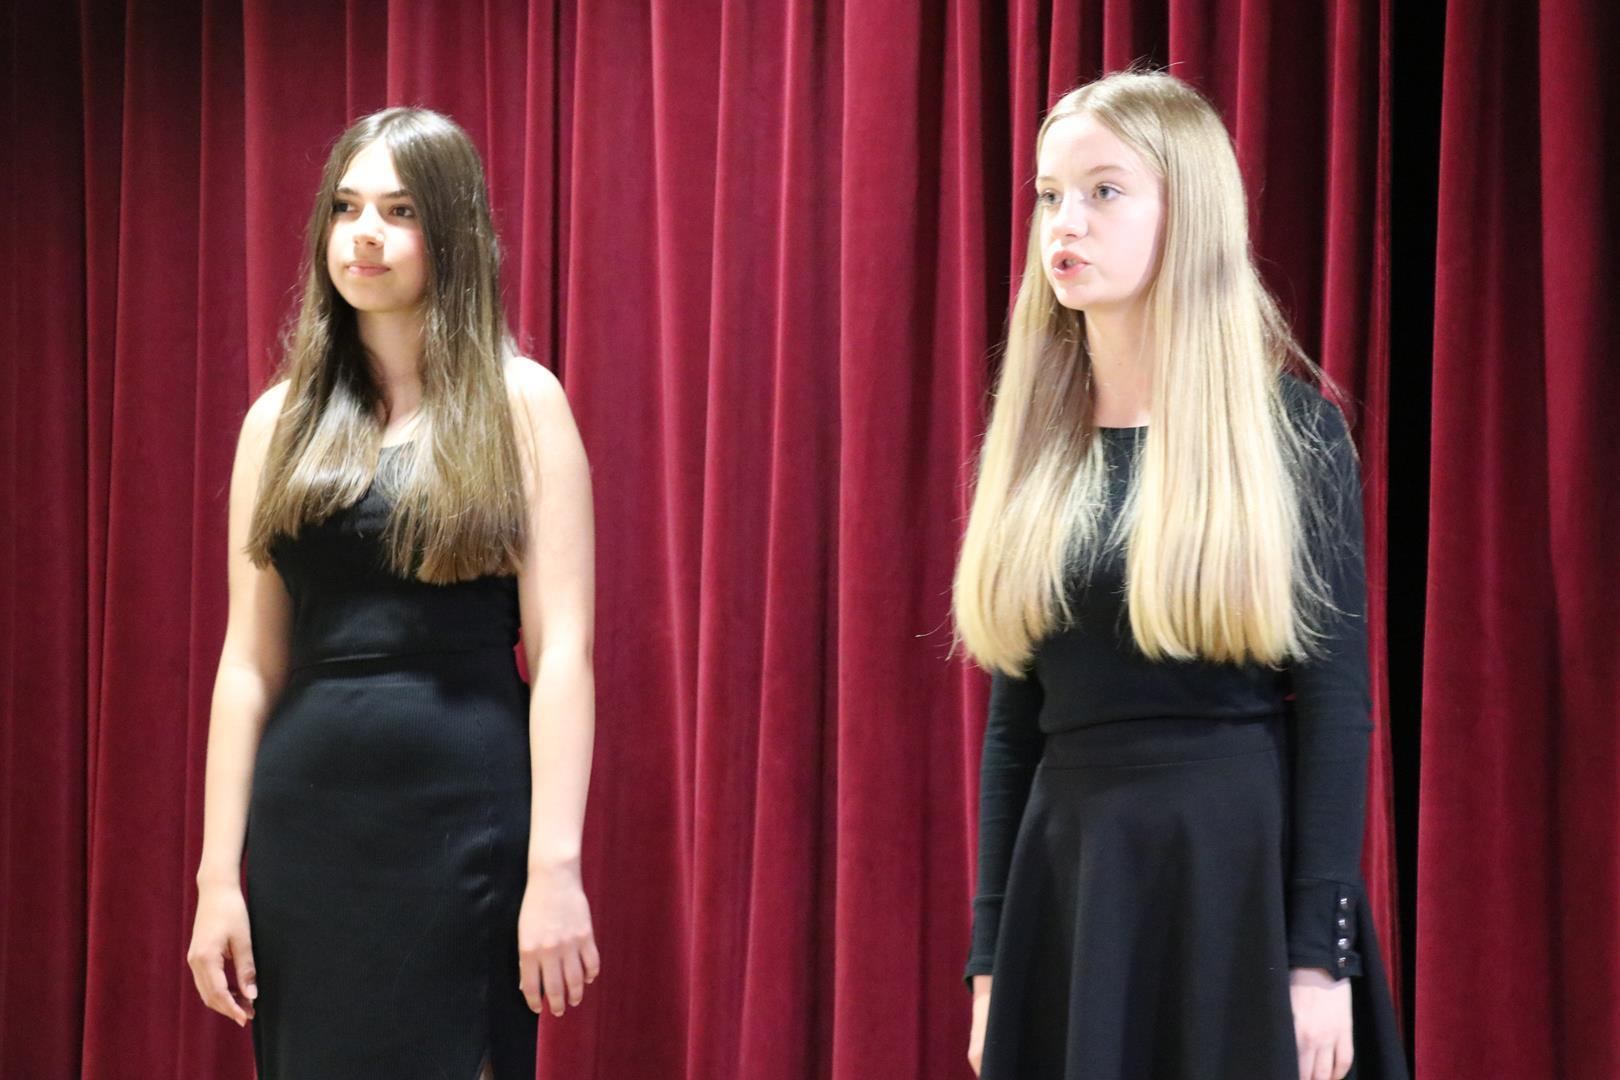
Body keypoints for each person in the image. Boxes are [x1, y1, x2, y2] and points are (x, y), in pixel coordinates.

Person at [955, 71, 1410, 1080]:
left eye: (1104, 190)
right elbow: (1014, 727)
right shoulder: (1036, 447)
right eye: (1049, 194)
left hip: (1232, 885)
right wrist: (992, 966)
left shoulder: (1290, 434)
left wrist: (1317, 960)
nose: (1066, 221)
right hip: (1074, 892)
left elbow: (1335, 709)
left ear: (1188, 213)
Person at [184, 107, 599, 1079]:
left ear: (451, 232)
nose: (364, 233)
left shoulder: (523, 403)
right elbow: (248, 665)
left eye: (399, 210)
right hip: (306, 826)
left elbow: (564, 651)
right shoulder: (276, 423)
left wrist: (555, 867)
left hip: (469, 815)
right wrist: (216, 879)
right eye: (346, 207)